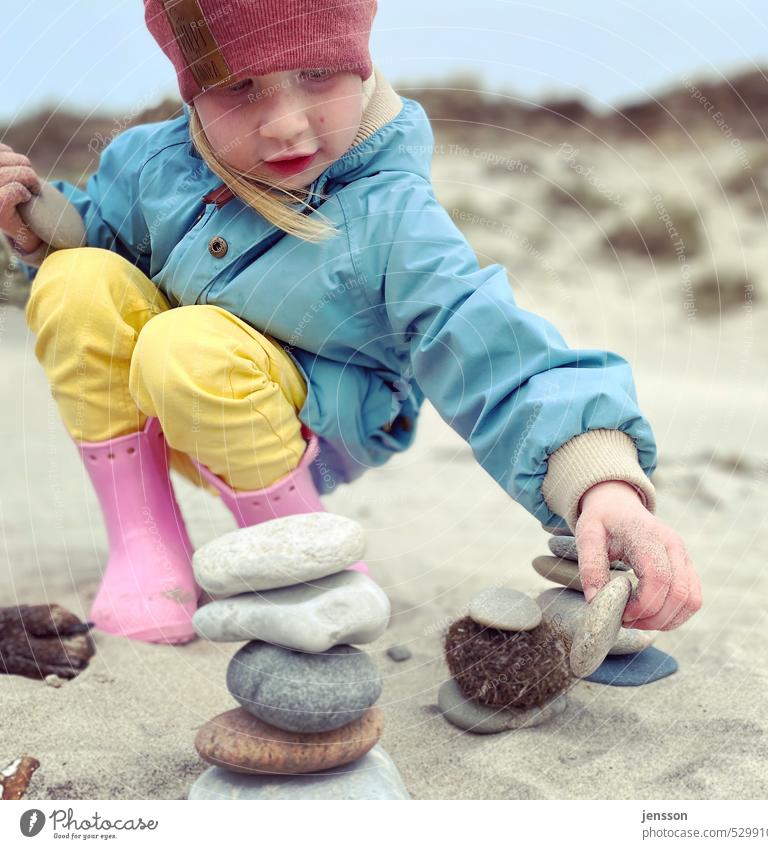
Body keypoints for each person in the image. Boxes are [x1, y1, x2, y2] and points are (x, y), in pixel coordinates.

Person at [0, 0, 701, 645]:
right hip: (163, 406)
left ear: (360, 62)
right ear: (190, 88)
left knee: (187, 343)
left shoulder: (388, 216)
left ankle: (302, 557)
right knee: (76, 277)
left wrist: (599, 482)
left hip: (312, 422)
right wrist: (33, 226)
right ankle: (145, 540)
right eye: (240, 87)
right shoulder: (150, 165)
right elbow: (104, 276)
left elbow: (483, 339)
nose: (285, 122)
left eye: (318, 73)